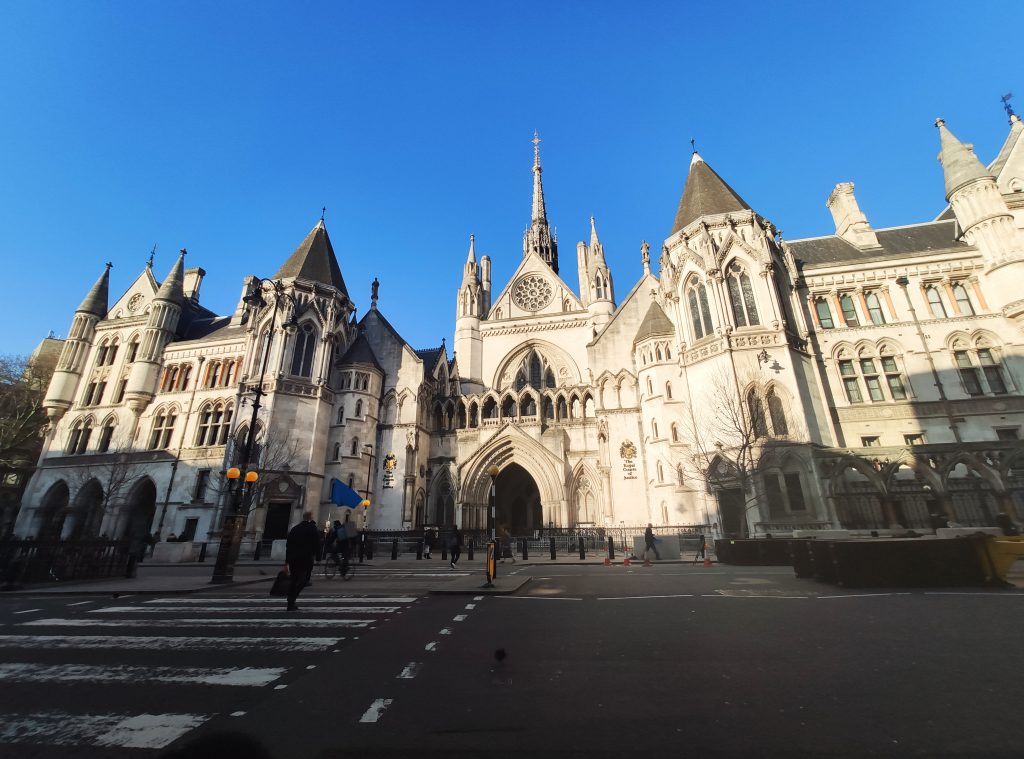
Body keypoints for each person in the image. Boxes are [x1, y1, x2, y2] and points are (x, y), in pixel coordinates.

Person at [285, 511, 319, 612]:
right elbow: (316, 543)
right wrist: (318, 557)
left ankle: (290, 601)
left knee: (294, 580)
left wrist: (286, 561)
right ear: (310, 518)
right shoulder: (312, 528)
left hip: (293, 558)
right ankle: (292, 598)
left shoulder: (295, 529)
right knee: (304, 580)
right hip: (306, 558)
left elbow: (288, 545)